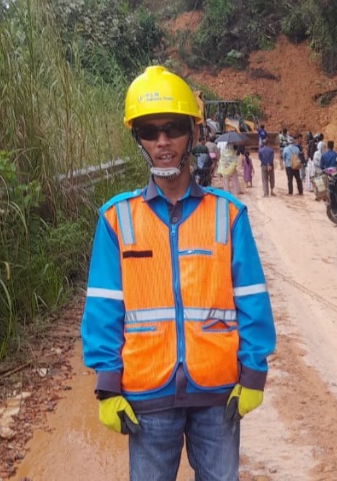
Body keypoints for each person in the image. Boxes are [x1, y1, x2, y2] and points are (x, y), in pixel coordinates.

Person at [80, 65, 276, 481]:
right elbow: (104, 307)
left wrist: (254, 373)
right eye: (150, 131)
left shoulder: (228, 214)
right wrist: (106, 383)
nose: (163, 141)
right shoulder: (117, 219)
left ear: (192, 132)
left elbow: (252, 298)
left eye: (172, 128)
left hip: (218, 395)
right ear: (138, 139)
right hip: (147, 397)